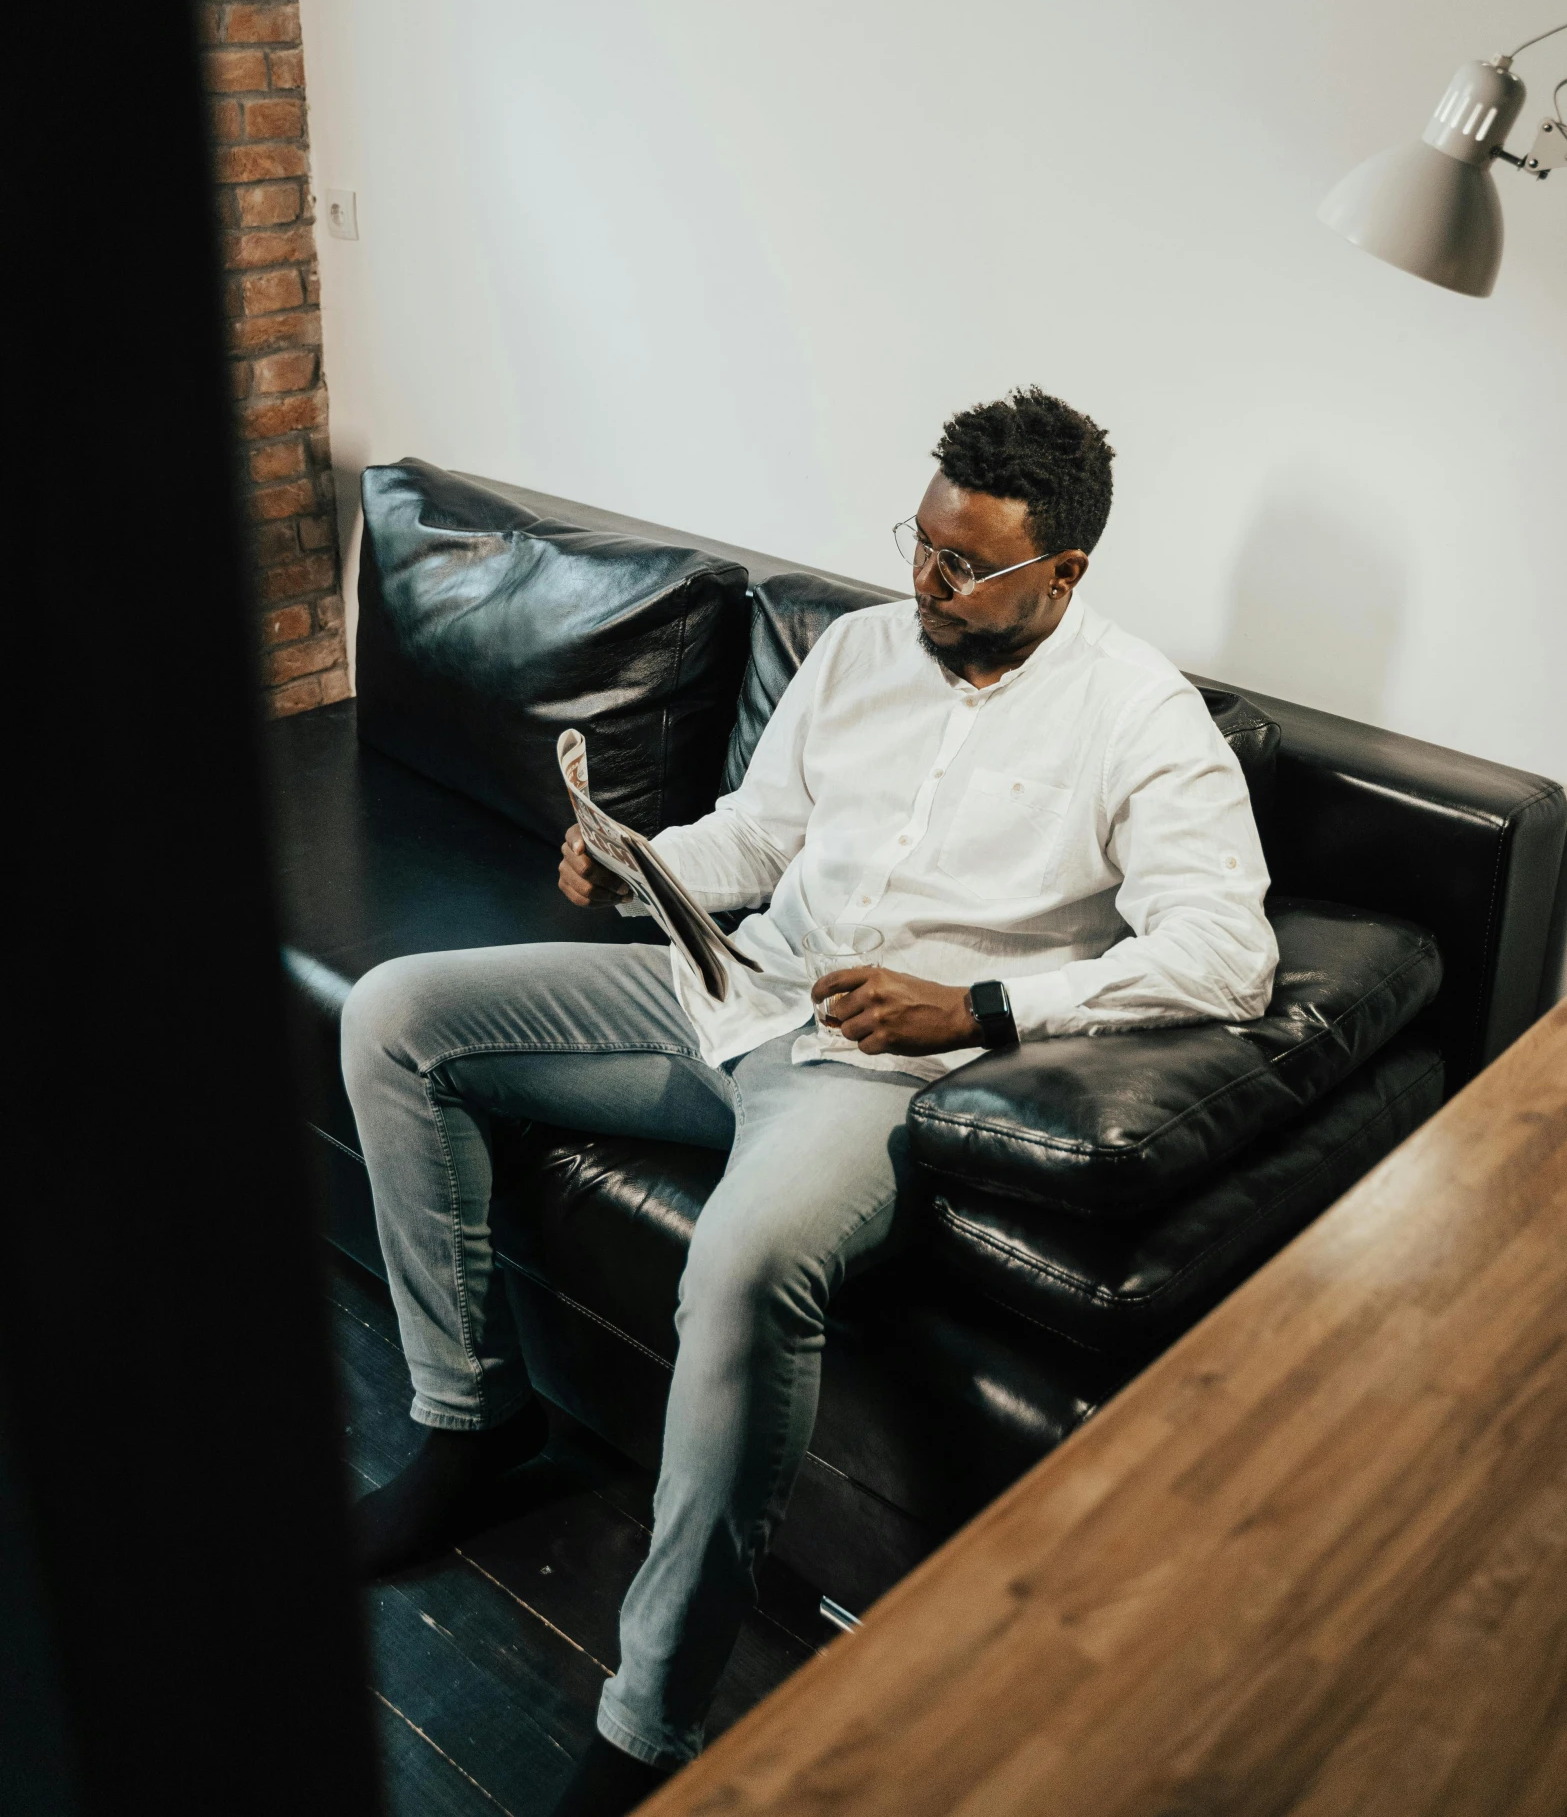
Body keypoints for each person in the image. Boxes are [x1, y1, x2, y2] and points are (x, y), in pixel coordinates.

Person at [341, 386, 1277, 1816]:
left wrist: (974, 1004)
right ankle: (470, 1416)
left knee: (739, 1258)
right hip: (732, 986)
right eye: (917, 541)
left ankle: (645, 1723)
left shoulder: (1141, 719)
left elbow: (1227, 955)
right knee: (395, 1012)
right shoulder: (855, 650)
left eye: (964, 566)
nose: (923, 580)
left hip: (881, 1077)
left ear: (1063, 573)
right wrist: (641, 857)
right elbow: (758, 834)